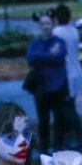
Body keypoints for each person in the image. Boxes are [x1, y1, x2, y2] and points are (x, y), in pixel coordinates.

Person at [24, 13, 72, 152]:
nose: (45, 26)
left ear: (53, 25)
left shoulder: (59, 42)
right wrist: (49, 54)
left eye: (48, 23)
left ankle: (58, 147)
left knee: (59, 119)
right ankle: (44, 148)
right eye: (43, 24)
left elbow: (59, 56)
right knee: (43, 120)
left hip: (58, 87)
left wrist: (43, 56)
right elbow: (31, 59)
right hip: (41, 88)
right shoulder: (35, 43)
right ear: (39, 26)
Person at [51, 4, 82, 149]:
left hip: (66, 74)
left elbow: (54, 51)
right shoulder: (73, 31)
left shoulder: (56, 32)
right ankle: (69, 137)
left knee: (67, 109)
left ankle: (78, 136)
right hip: (77, 71)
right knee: (70, 105)